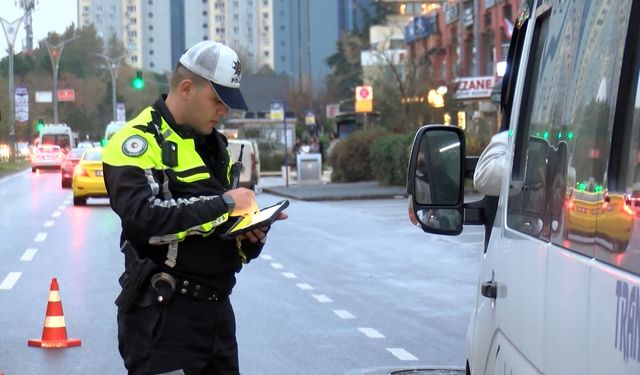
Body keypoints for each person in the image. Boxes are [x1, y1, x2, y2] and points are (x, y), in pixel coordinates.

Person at [102, 40, 287, 374]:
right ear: (186, 88)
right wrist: (224, 203)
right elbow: (143, 220)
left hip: (217, 317)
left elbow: (219, 234)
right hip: (164, 319)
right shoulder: (136, 141)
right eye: (217, 100)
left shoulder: (215, 146)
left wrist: (251, 237)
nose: (224, 110)